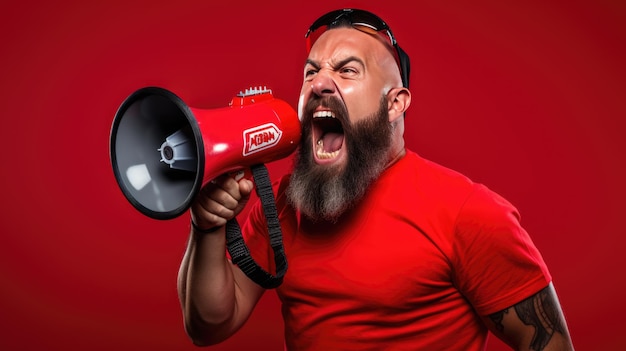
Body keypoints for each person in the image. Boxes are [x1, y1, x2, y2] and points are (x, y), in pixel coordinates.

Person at [177, 8, 575, 351]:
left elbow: (547, 341)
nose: (318, 83)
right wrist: (207, 227)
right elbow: (210, 325)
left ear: (395, 103)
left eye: (347, 70)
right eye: (311, 72)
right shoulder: (281, 203)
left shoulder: (467, 213)